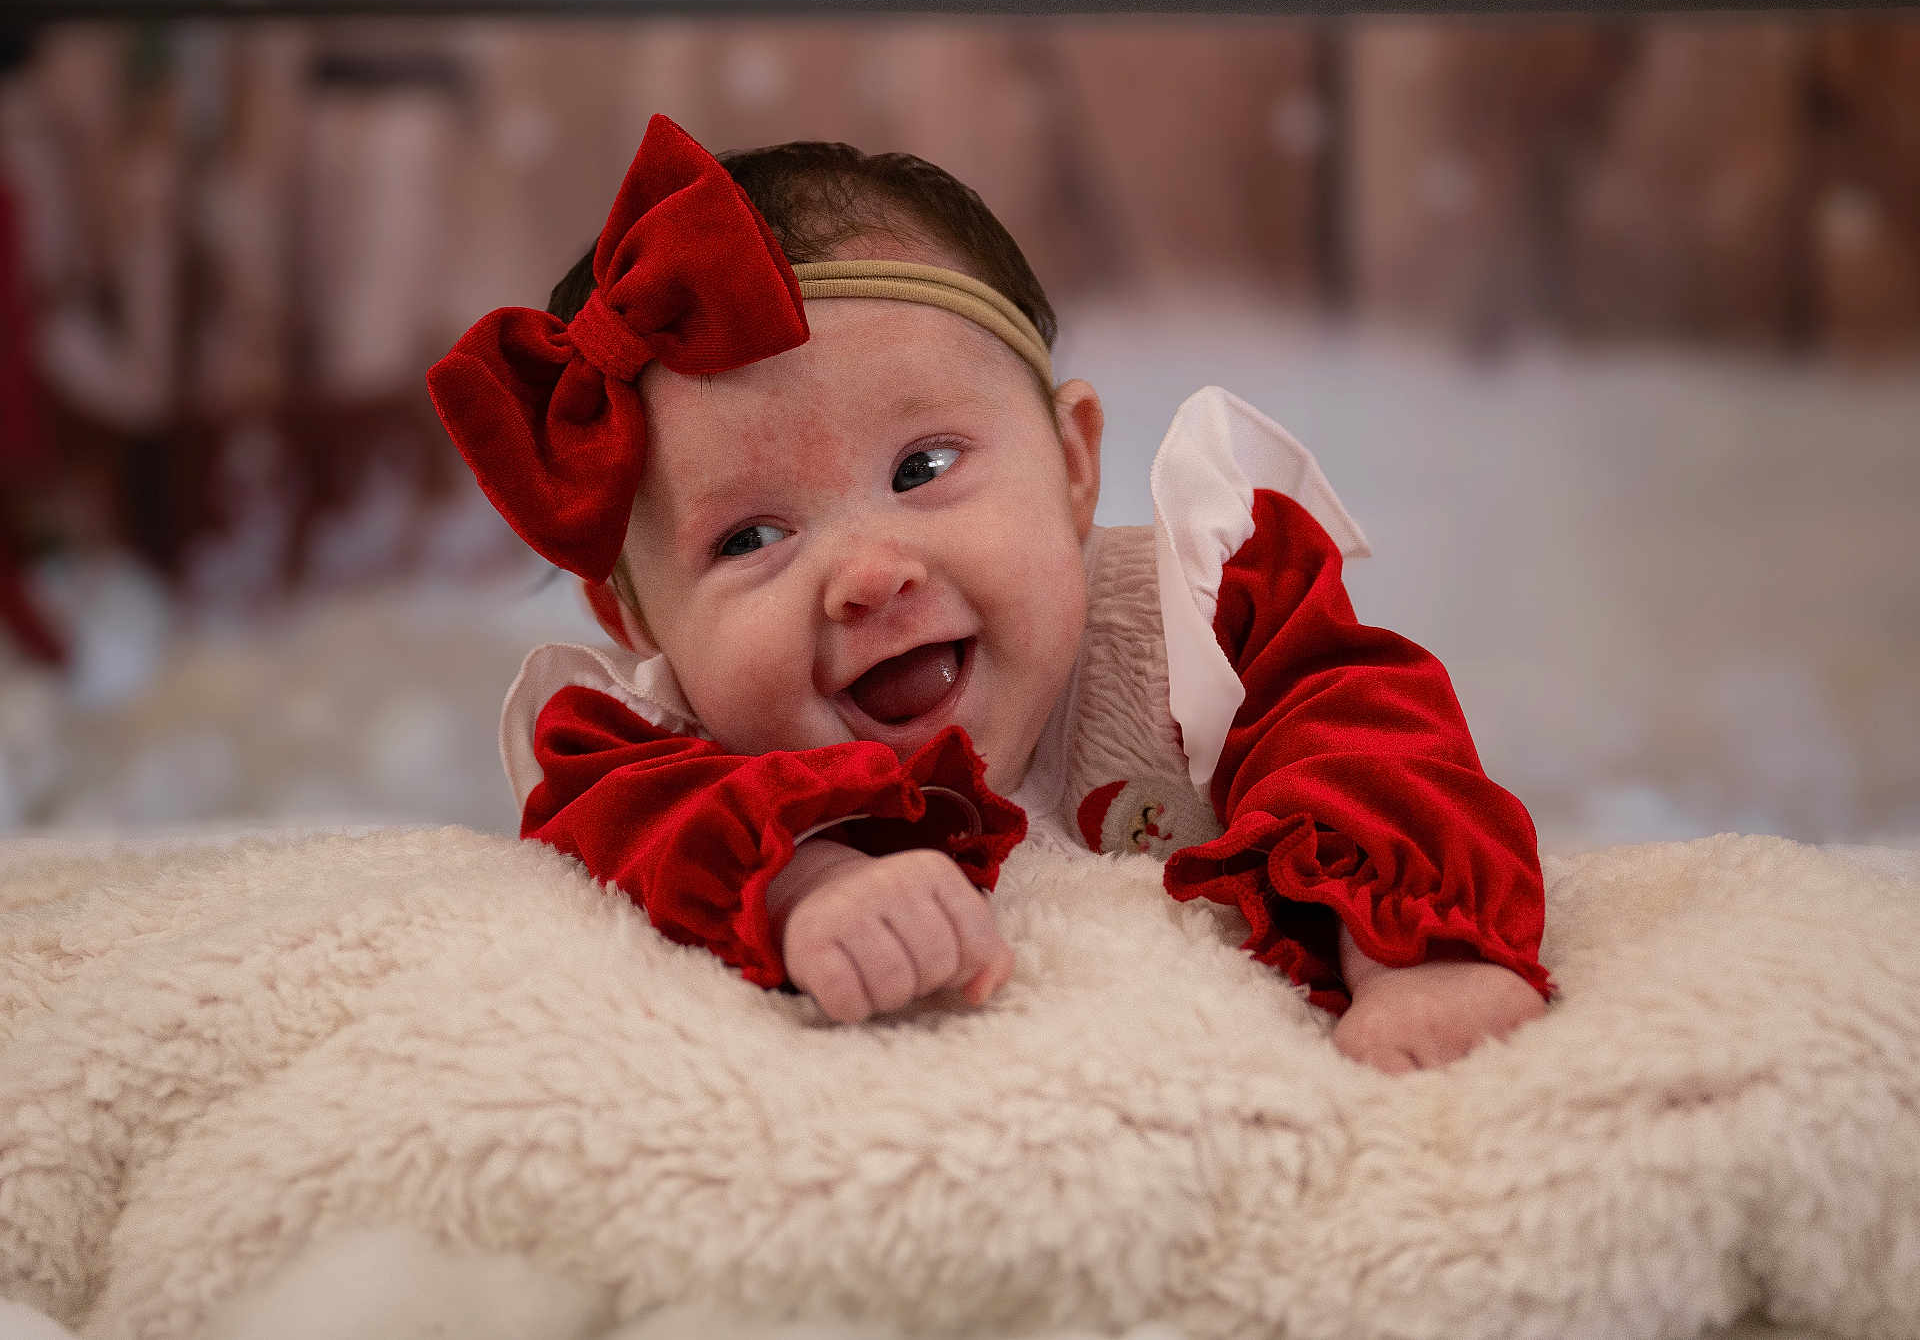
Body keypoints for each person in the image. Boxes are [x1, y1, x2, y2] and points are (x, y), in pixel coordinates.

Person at [429, 114, 1550, 1073]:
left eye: (924, 469)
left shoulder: (1209, 613)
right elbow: (615, 830)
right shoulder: (663, 746)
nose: (870, 576)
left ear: (1071, 467)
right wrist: (804, 884)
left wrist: (1414, 945)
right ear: (636, 624)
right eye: (751, 537)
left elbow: (1369, 732)